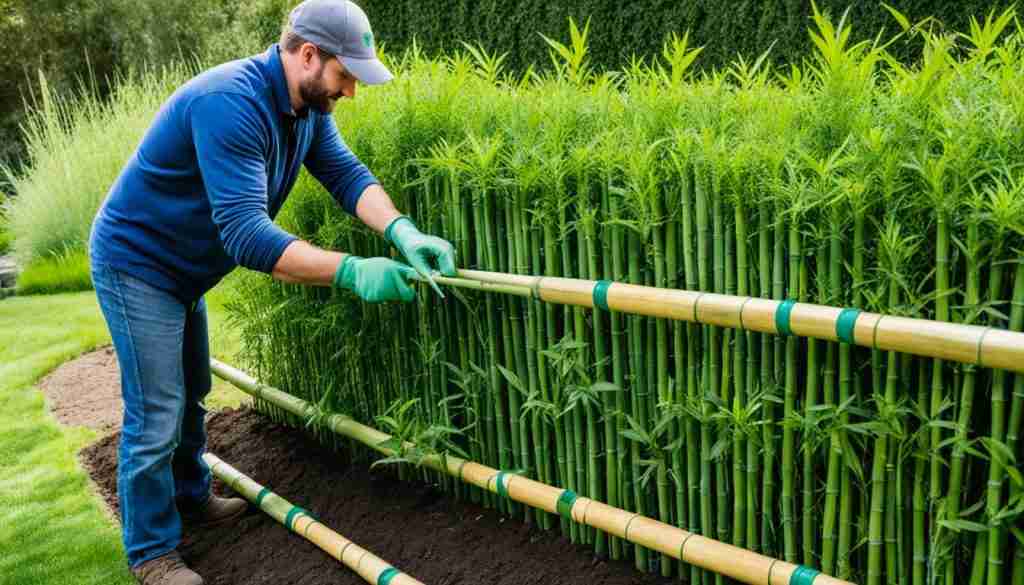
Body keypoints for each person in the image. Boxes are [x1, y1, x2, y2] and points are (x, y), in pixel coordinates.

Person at [88, 1, 456, 583]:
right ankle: (152, 554)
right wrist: (354, 271)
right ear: (308, 55)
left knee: (192, 390)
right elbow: (247, 237)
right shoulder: (229, 103)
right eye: (345, 76)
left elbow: (346, 174)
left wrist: (401, 230)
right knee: (156, 411)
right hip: (139, 264)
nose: (351, 92)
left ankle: (191, 496)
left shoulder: (304, 108)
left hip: (183, 269)